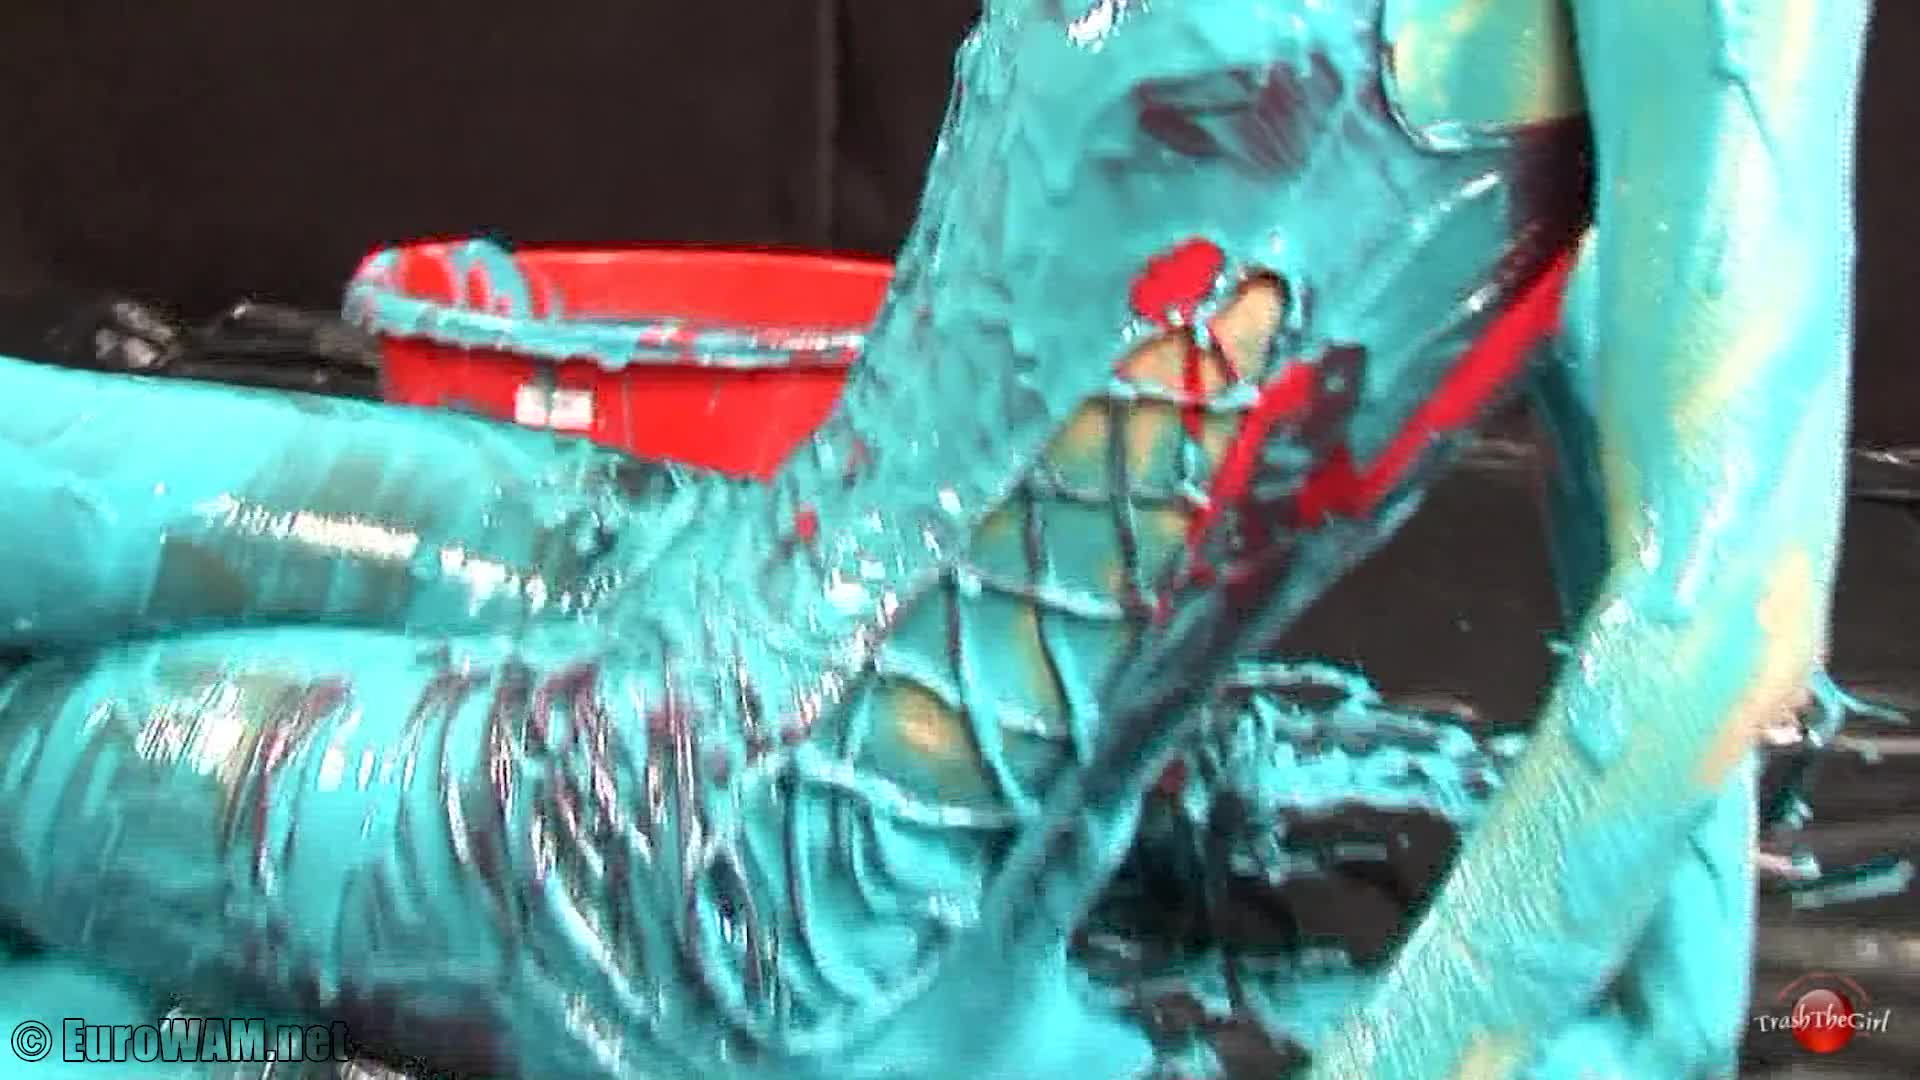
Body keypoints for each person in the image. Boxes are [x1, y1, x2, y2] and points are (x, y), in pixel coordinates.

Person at [0, 2, 1871, 1077]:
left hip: (766, 879)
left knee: (57, 771)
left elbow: (1717, 600)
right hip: (692, 572)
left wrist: (1588, 1030)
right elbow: (1602, 356)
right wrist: (1675, 1007)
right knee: (42, 459)